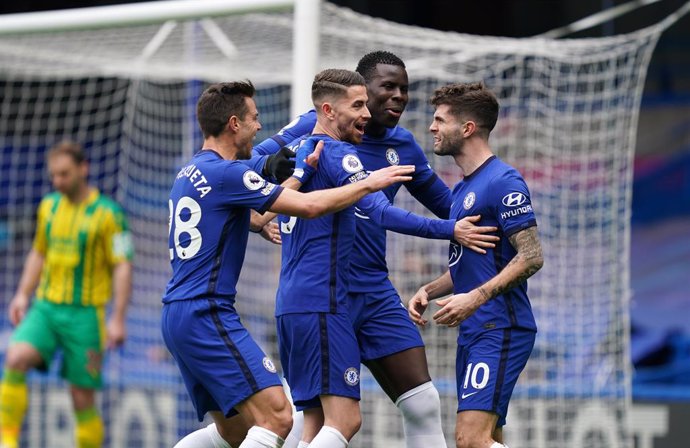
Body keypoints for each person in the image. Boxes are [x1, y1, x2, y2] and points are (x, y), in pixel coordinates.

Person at [264, 51, 500, 448]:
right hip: (322, 290)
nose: (399, 97)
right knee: (319, 421)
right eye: (387, 87)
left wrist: (493, 212)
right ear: (358, 92)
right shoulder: (315, 130)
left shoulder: (402, 145)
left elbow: (448, 206)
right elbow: (254, 165)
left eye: (404, 89)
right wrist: (277, 191)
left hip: (372, 291)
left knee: (422, 401)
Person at [162, 80, 415, 448]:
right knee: (278, 416)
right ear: (234, 123)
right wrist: (368, 184)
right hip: (208, 313)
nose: (259, 127)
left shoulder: (189, 173)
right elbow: (311, 208)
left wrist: (298, 176)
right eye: (254, 118)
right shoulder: (228, 173)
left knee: (232, 432)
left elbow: (253, 218)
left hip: (177, 314)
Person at [407, 82, 544, 448]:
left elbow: (531, 256)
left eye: (440, 120)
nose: (432, 127)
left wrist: (476, 298)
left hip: (500, 326)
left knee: (470, 440)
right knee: (487, 439)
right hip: (476, 328)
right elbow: (472, 265)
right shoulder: (460, 191)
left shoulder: (503, 181)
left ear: (467, 129)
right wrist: (429, 289)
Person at [0, 141, 134, 448]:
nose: (57, 181)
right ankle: (7, 442)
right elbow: (38, 252)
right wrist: (22, 294)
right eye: (54, 176)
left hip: (86, 315)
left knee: (81, 398)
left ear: (83, 169)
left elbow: (123, 266)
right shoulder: (49, 206)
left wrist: (118, 318)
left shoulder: (110, 215)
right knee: (15, 356)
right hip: (45, 308)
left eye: (64, 174)